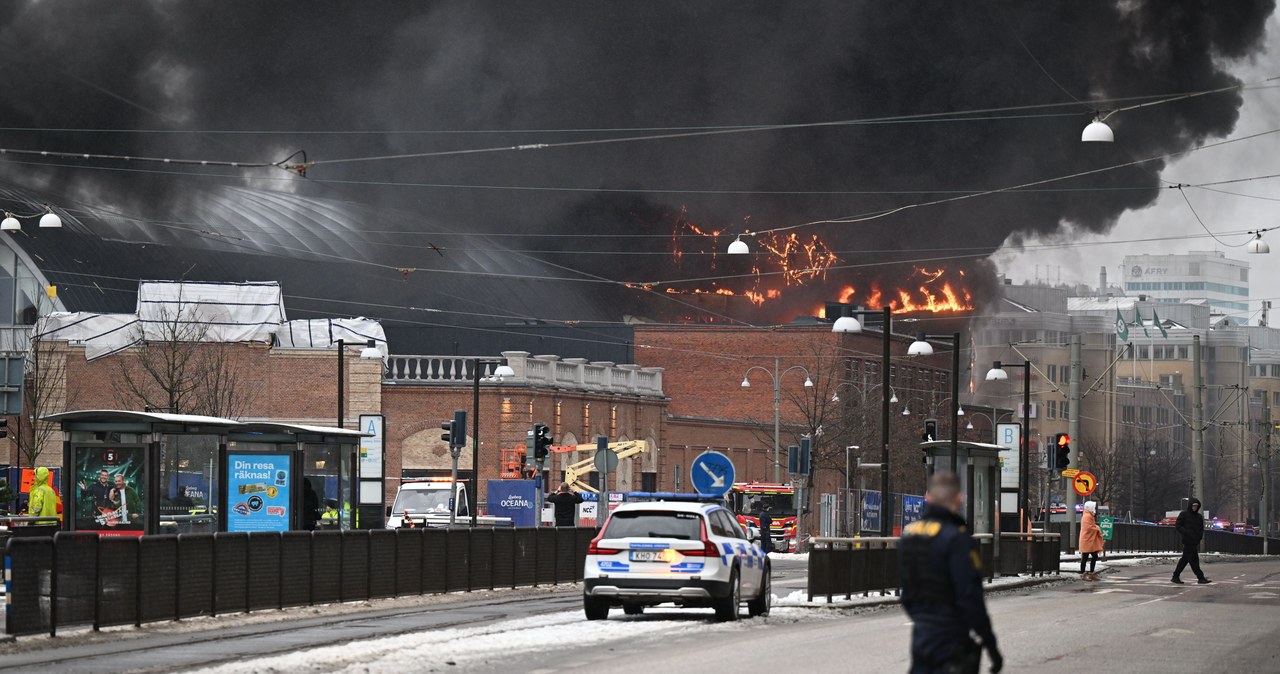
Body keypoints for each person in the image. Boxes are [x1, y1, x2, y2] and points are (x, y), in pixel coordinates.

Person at [899, 472, 1002, 674]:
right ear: (958, 498)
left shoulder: (909, 535)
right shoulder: (956, 538)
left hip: (921, 636)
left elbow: (907, 593)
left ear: (929, 498)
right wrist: (990, 644)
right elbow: (970, 597)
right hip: (952, 637)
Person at [1172, 497, 1210, 585]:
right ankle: (1200, 577)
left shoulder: (1199, 517)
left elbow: (1201, 529)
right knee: (1193, 560)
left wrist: (1199, 537)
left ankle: (1175, 576)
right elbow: (1178, 525)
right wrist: (1186, 532)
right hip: (1187, 540)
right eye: (1193, 506)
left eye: (1196, 506)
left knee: (1185, 560)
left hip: (1194, 541)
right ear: (1190, 506)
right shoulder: (1184, 514)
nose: (1195, 508)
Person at [1078, 501, 1104, 581]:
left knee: (1090, 556)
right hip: (1087, 540)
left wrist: (1095, 527)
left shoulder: (1088, 515)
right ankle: (1084, 574)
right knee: (1085, 557)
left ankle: (1089, 573)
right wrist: (1097, 528)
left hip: (1089, 540)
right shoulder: (1087, 516)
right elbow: (1088, 527)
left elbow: (1090, 526)